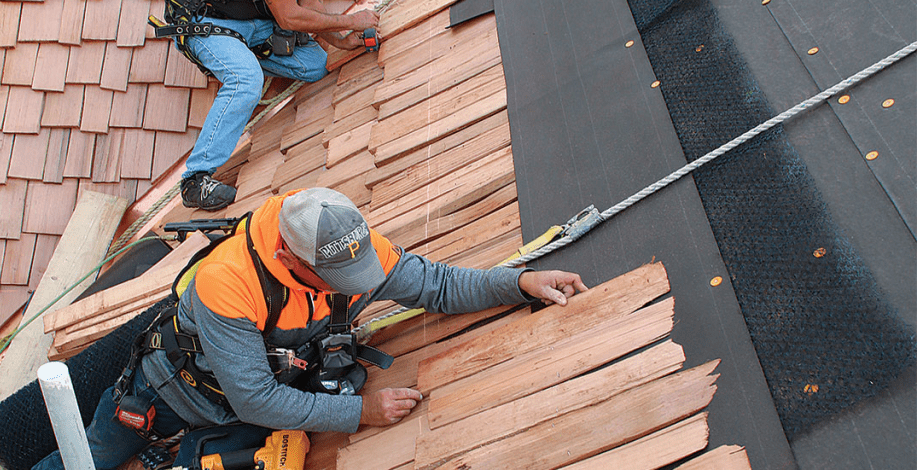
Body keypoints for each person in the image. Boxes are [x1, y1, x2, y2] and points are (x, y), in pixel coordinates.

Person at [32, 188, 587, 469]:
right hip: (171, 394)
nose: (353, 286)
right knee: (96, 456)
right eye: (337, 279)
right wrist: (361, 413)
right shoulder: (230, 282)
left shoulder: (342, 239)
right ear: (285, 255)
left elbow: (436, 285)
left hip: (254, 404)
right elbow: (256, 399)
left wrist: (519, 284)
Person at [166, 0, 380, 211]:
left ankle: (243, 53)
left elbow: (309, 7)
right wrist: (353, 20)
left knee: (315, 65)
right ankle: (196, 180)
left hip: (252, 21)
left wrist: (341, 41)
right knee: (245, 79)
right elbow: (290, 17)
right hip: (203, 22)